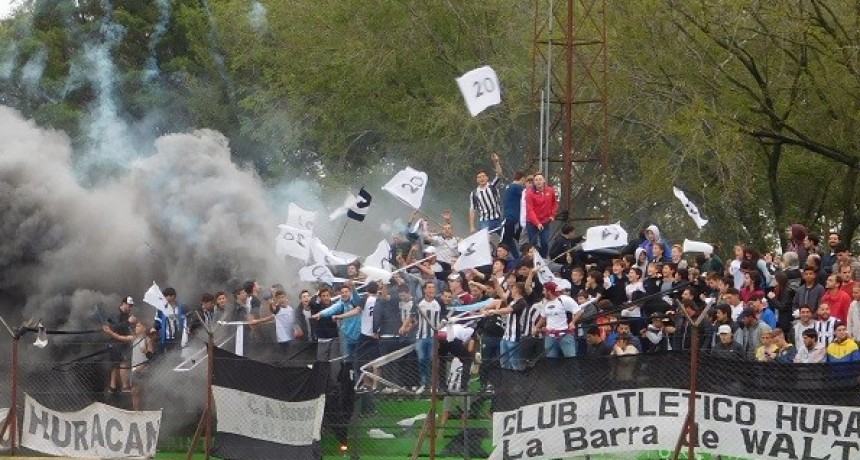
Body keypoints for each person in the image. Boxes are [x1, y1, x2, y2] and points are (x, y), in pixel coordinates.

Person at [400, 281, 445, 392]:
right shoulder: (419, 302)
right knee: (421, 360)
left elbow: (444, 317)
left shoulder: (439, 302)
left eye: (433, 287)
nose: (432, 290)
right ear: (424, 290)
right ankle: (424, 383)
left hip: (433, 337)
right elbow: (411, 316)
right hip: (421, 336)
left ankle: (434, 384)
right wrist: (403, 326)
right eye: (429, 287)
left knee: (432, 360)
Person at [535, 281, 580, 358]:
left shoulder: (564, 300)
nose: (543, 292)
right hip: (550, 336)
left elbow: (578, 311)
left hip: (565, 334)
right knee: (551, 361)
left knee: (571, 359)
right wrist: (536, 328)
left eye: (544, 290)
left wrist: (572, 322)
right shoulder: (545, 302)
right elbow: (543, 317)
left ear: (549, 291)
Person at [103, 296, 135, 393]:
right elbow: (115, 327)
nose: (130, 307)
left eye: (132, 306)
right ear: (123, 304)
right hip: (116, 343)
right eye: (129, 305)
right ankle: (125, 386)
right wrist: (128, 322)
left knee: (116, 364)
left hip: (119, 343)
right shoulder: (118, 315)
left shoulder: (125, 315)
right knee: (123, 362)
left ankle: (112, 386)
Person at [469, 152, 504, 234]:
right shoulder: (474, 193)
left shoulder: (492, 186)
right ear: (476, 180)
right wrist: (472, 226)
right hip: (485, 221)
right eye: (479, 177)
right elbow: (472, 210)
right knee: (484, 240)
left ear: (487, 177)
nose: (481, 178)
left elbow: (499, 174)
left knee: (506, 238)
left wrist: (496, 162)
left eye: (483, 176)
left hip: (498, 218)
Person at [524, 172, 558, 257]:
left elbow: (554, 203)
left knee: (545, 242)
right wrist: (537, 223)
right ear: (534, 182)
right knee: (533, 243)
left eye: (540, 179)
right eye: (536, 180)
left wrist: (552, 215)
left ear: (544, 180)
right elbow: (530, 210)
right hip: (532, 222)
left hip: (545, 222)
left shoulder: (550, 190)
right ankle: (534, 259)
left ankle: (543, 258)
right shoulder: (529, 193)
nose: (538, 181)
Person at [152, 287, 187, 355]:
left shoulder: (181, 307)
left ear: (173, 296)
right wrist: (153, 329)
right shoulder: (161, 309)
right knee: (168, 356)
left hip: (179, 336)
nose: (164, 298)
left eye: (166, 296)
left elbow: (186, 319)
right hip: (167, 338)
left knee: (179, 355)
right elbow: (157, 322)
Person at [500, 171, 527, 259]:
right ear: (522, 179)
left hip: (511, 219)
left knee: (510, 241)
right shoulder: (517, 187)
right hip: (510, 219)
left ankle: (517, 259)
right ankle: (501, 259)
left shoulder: (509, 187)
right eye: (524, 182)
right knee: (505, 243)